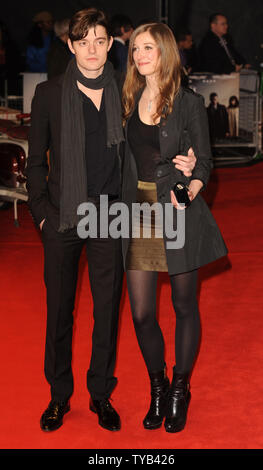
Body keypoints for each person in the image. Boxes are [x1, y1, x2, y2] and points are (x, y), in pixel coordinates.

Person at [26, 8, 196, 434]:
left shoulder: (126, 88)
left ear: (109, 45)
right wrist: (42, 215)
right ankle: (59, 397)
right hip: (63, 216)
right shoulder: (48, 95)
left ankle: (100, 394)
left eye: (100, 41)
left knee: (107, 313)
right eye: (83, 41)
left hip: (112, 215)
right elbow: (34, 164)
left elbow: (157, 126)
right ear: (70, 45)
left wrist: (189, 159)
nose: (92, 50)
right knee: (59, 311)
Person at [121, 22, 228, 433]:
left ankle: (181, 389)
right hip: (138, 214)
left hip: (176, 210)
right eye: (134, 49)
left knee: (185, 306)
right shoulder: (128, 99)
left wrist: (190, 187)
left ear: (165, 51)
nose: (140, 55)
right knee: (143, 313)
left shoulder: (187, 103)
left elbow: (203, 163)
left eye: (148, 48)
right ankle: (159, 386)